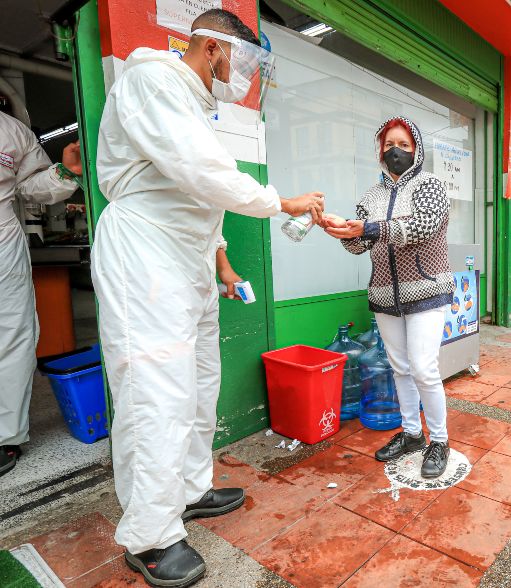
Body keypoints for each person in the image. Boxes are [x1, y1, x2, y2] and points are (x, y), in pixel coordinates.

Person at [91, 10, 324, 587]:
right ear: (215, 50)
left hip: (188, 259)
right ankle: (149, 536)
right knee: (154, 391)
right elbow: (201, 172)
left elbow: (199, 197)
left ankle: (190, 491)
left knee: (198, 383)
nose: (244, 75)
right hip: (144, 254)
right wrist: (280, 202)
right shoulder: (151, 80)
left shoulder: (195, 105)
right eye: (243, 61)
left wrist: (220, 262)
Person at [324, 116, 454, 479]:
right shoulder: (371, 196)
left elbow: (421, 227)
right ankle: (412, 433)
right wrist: (341, 231)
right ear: (380, 151)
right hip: (385, 294)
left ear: (417, 150)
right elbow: (360, 244)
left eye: (404, 145)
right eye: (388, 144)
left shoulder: (431, 186)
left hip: (427, 290)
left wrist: (369, 228)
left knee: (424, 369)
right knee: (400, 368)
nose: (395, 150)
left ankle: (439, 440)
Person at [0, 111, 81, 478]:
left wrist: (64, 174)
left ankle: (5, 437)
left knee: (13, 334)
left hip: (2, 238)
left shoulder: (10, 130)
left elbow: (30, 186)